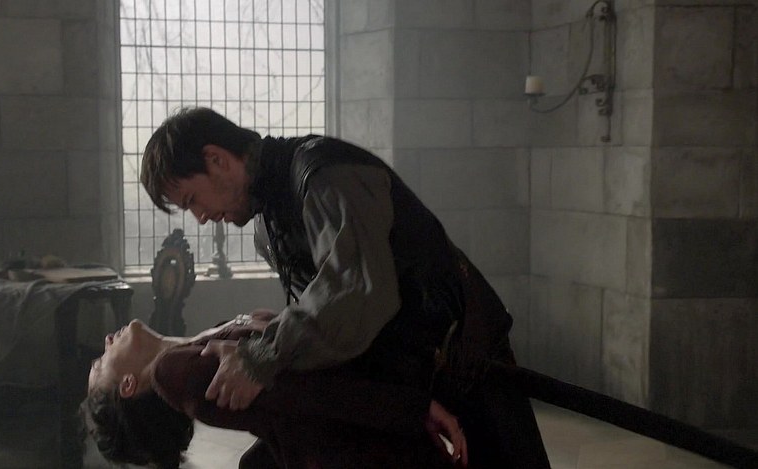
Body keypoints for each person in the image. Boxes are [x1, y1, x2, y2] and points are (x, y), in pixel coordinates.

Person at [140, 107, 550, 468]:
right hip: (402, 378)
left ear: (216, 159)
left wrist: (262, 355)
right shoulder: (267, 225)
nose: (200, 217)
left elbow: (356, 295)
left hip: (468, 358)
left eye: (191, 199)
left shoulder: (325, 173)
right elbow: (331, 323)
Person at [81, 317, 466, 469]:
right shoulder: (176, 374)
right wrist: (410, 409)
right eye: (101, 363)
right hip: (374, 440)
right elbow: (309, 393)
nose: (107, 340)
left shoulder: (189, 353)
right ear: (128, 385)